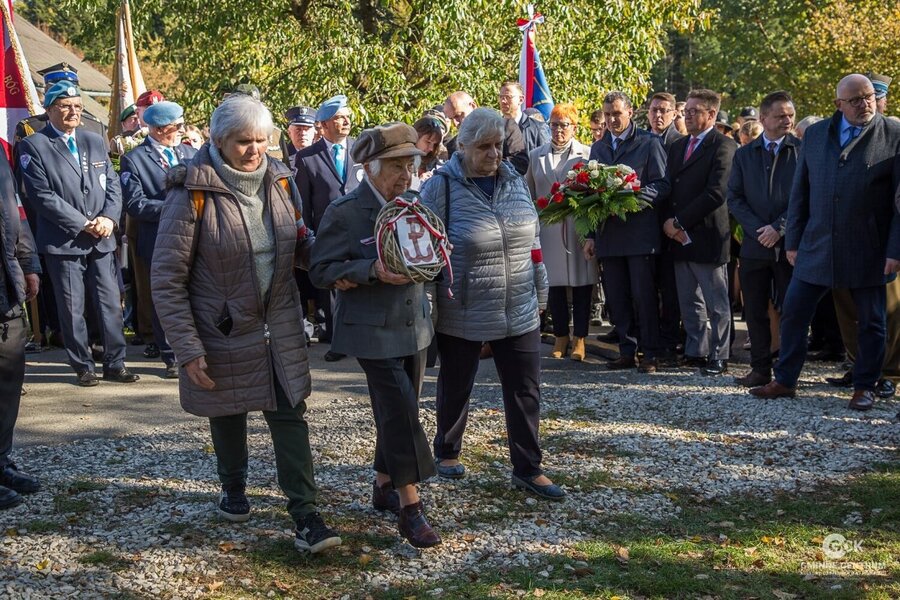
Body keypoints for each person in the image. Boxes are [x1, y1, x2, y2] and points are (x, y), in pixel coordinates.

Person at [151, 94, 341, 553]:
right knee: (228, 408)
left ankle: (305, 514)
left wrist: (334, 258)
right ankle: (233, 486)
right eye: (242, 142)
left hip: (279, 318)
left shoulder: (279, 180)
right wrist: (188, 347)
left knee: (290, 412)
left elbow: (299, 238)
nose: (254, 150)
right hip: (221, 325)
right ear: (217, 141)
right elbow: (167, 278)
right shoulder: (191, 193)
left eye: (262, 140)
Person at [420, 108, 564, 501]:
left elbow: (532, 240)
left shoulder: (514, 181)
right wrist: (432, 305)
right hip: (463, 305)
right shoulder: (441, 188)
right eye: (484, 146)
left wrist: (541, 292)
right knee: (456, 383)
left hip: (518, 303)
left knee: (525, 389)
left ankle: (528, 468)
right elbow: (427, 251)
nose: (494, 154)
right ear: (461, 146)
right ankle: (447, 451)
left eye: (499, 145)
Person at [310, 123, 441, 549]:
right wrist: (368, 271)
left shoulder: (416, 205)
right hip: (371, 332)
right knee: (402, 410)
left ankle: (383, 484)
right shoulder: (345, 212)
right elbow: (321, 270)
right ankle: (410, 507)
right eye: (397, 167)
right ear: (369, 168)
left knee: (396, 409)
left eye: (411, 165)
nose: (406, 176)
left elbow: (428, 255)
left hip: (414, 325)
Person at [750, 74, 900, 411]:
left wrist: (895, 249)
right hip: (817, 246)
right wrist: (794, 240)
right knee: (794, 313)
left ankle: (865, 386)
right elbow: (800, 193)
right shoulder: (816, 135)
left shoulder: (893, 134)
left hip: (869, 248)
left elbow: (899, 202)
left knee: (872, 321)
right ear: (838, 105)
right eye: (856, 99)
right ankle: (785, 380)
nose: (865, 104)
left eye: (869, 98)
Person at [17, 81, 138, 386]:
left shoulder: (93, 140)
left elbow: (112, 184)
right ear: (49, 110)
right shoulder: (34, 145)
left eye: (78, 106)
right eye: (65, 106)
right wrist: (83, 223)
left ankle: (115, 362)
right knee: (72, 308)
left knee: (109, 302)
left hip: (102, 237)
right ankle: (82, 365)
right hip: (65, 240)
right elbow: (41, 196)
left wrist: (109, 218)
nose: (73, 111)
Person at [584, 92, 670, 373]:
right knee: (617, 297)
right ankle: (626, 350)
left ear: (630, 113)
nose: (611, 120)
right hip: (610, 236)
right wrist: (592, 236)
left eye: (616, 114)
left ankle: (651, 353)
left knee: (643, 297)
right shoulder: (598, 149)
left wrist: (631, 198)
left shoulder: (649, 143)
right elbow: (592, 194)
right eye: (607, 115)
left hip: (639, 235)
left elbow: (661, 185)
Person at [662, 89, 738, 376]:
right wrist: (669, 222)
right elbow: (670, 187)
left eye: (694, 111)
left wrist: (679, 221)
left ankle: (719, 354)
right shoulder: (679, 146)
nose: (688, 115)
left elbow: (716, 193)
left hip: (706, 235)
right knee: (690, 301)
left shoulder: (724, 147)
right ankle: (697, 350)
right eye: (687, 111)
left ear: (711, 114)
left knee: (716, 302)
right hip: (678, 237)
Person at [727, 91, 799, 387]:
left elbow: (803, 197)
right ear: (764, 118)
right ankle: (759, 369)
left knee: (792, 310)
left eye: (791, 115)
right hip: (756, 245)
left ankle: (788, 372)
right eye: (781, 115)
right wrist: (760, 229)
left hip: (789, 245)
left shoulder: (802, 151)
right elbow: (735, 197)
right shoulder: (745, 154)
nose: (787, 120)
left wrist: (778, 228)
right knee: (754, 310)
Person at [121, 101, 197, 379]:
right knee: (165, 297)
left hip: (196, 237)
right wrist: (173, 210)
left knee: (196, 293)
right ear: (161, 129)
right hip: (159, 239)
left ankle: (197, 348)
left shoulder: (191, 153)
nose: (181, 131)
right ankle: (171, 355)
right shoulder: (135, 159)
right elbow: (135, 204)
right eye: (177, 127)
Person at [525, 103, 594, 361]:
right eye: (554, 124)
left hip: (578, 226)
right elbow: (528, 191)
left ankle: (581, 338)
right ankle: (561, 336)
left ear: (574, 127)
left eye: (564, 125)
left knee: (581, 285)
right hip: (548, 227)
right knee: (553, 284)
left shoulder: (587, 154)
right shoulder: (536, 155)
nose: (559, 130)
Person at [294, 94, 360, 361]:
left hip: (359, 230)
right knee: (332, 289)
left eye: (347, 117)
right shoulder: (308, 158)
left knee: (359, 282)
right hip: (326, 232)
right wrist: (309, 239)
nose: (345, 122)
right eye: (338, 118)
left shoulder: (360, 149)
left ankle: (360, 337)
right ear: (323, 124)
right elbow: (303, 203)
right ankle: (337, 340)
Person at [0, 155, 41, 509]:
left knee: (8, 381)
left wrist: (28, 264)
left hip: (6, 284)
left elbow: (16, 209)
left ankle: (2, 462)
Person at [442, 91, 528, 175]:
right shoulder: (453, 144)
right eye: (451, 118)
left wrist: (489, 167)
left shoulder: (506, 127)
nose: (455, 123)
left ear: (473, 106)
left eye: (458, 115)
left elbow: (520, 163)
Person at [499, 81, 550, 154]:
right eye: (501, 97)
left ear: (521, 99)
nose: (503, 101)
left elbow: (545, 158)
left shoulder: (537, 128)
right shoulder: (494, 128)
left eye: (508, 97)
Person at [411, 116, 445, 190]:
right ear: (415, 136)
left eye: (434, 144)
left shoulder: (435, 162)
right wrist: (419, 181)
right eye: (428, 142)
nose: (431, 148)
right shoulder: (401, 158)